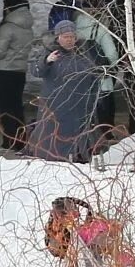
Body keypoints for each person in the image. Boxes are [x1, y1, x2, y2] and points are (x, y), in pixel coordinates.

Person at [25, 19, 102, 163]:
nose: (69, 40)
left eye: (72, 37)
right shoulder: (50, 52)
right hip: (55, 105)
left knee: (78, 133)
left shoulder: (82, 53)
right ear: (58, 37)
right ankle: (51, 158)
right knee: (54, 133)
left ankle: (79, 156)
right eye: (65, 37)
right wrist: (47, 61)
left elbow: (93, 73)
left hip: (79, 105)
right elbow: (36, 71)